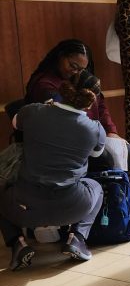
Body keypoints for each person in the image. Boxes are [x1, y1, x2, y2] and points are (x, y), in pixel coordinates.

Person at [0, 72, 107, 270]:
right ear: (93, 99)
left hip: (24, 208)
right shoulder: (94, 128)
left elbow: (15, 123)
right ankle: (77, 239)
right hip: (72, 207)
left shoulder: (34, 111)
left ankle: (18, 244)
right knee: (96, 187)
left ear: (63, 89)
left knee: (2, 190)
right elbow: (96, 153)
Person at [23, 39, 130, 172]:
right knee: (110, 160)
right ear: (60, 56)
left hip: (89, 135)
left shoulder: (79, 78)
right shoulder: (44, 84)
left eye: (81, 69)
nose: (76, 72)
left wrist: (111, 131)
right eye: (73, 65)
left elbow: (100, 104)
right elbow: (66, 118)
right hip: (66, 143)